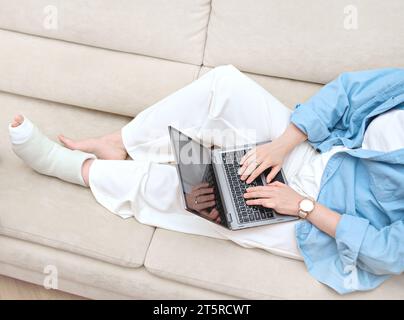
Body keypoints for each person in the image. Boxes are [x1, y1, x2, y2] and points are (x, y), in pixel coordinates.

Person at [8, 65, 404, 294]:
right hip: (318, 149)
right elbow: (347, 93)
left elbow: (388, 253)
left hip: (323, 217)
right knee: (224, 86)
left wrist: (302, 205)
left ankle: (76, 168)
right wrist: (282, 146)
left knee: (204, 199)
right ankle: (119, 143)